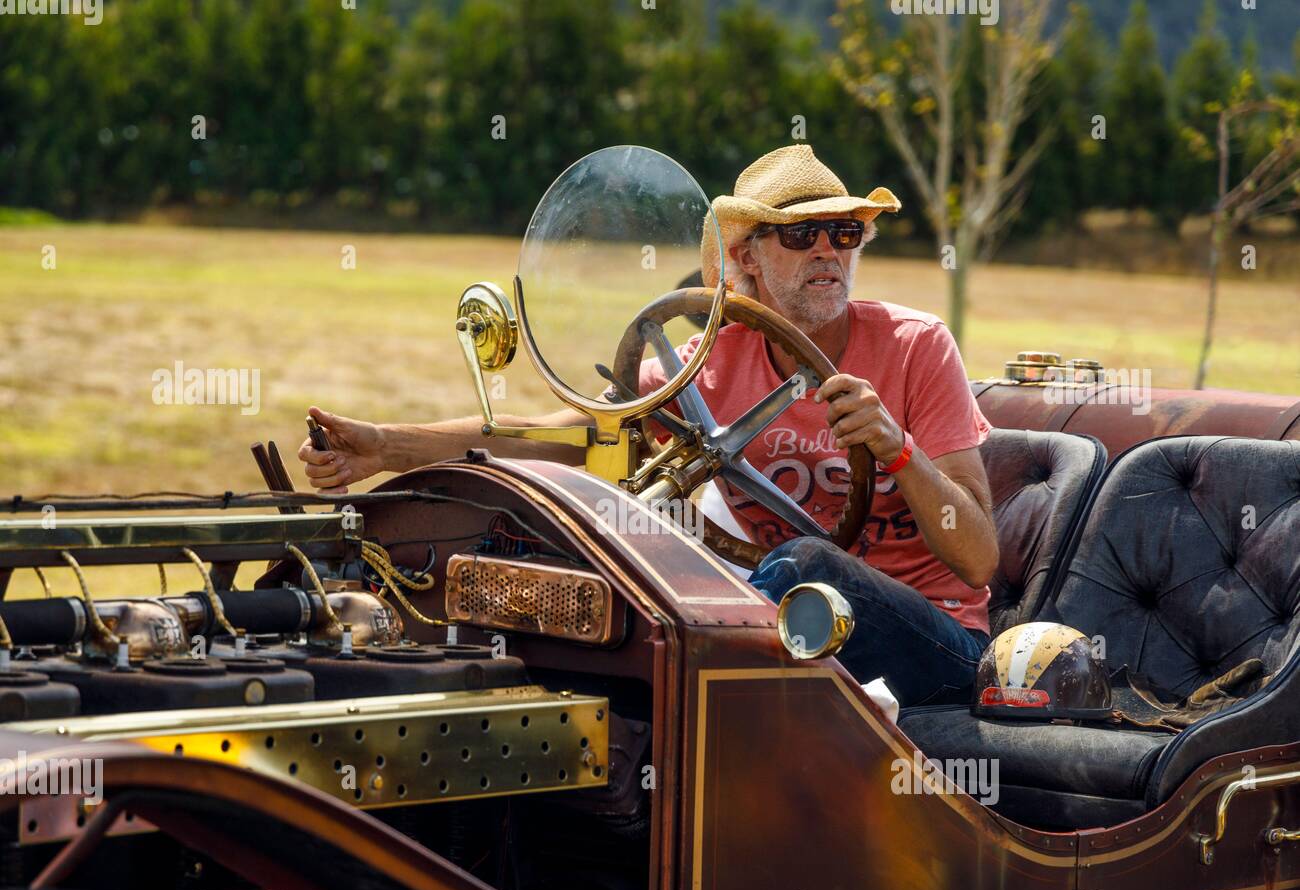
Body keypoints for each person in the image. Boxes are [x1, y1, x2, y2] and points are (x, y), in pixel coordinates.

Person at [297, 145, 999, 708]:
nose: (828, 250)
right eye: (800, 233)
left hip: (933, 637)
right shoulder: (708, 362)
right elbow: (564, 432)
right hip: (786, 618)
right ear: (748, 258)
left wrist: (898, 449)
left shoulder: (917, 347)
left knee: (808, 570)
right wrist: (385, 447)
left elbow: (978, 559)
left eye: (844, 232)